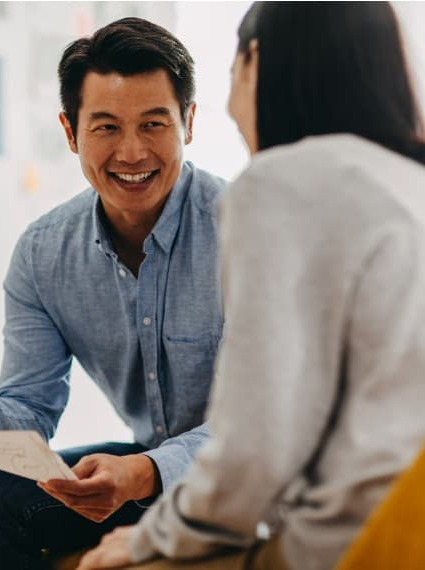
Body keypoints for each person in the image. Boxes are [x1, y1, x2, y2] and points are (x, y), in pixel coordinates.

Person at [0, 17, 225, 569]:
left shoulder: (250, 232)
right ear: (70, 132)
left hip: (255, 475)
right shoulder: (44, 253)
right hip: (154, 473)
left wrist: (145, 471)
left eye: (154, 124)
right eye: (106, 128)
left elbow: (270, 426)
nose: (131, 152)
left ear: (189, 123)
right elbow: (31, 413)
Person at [77, 3, 425, 570]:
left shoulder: (278, 184)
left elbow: (254, 450)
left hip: (362, 541)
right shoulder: (410, 181)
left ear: (255, 60)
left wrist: (148, 540)